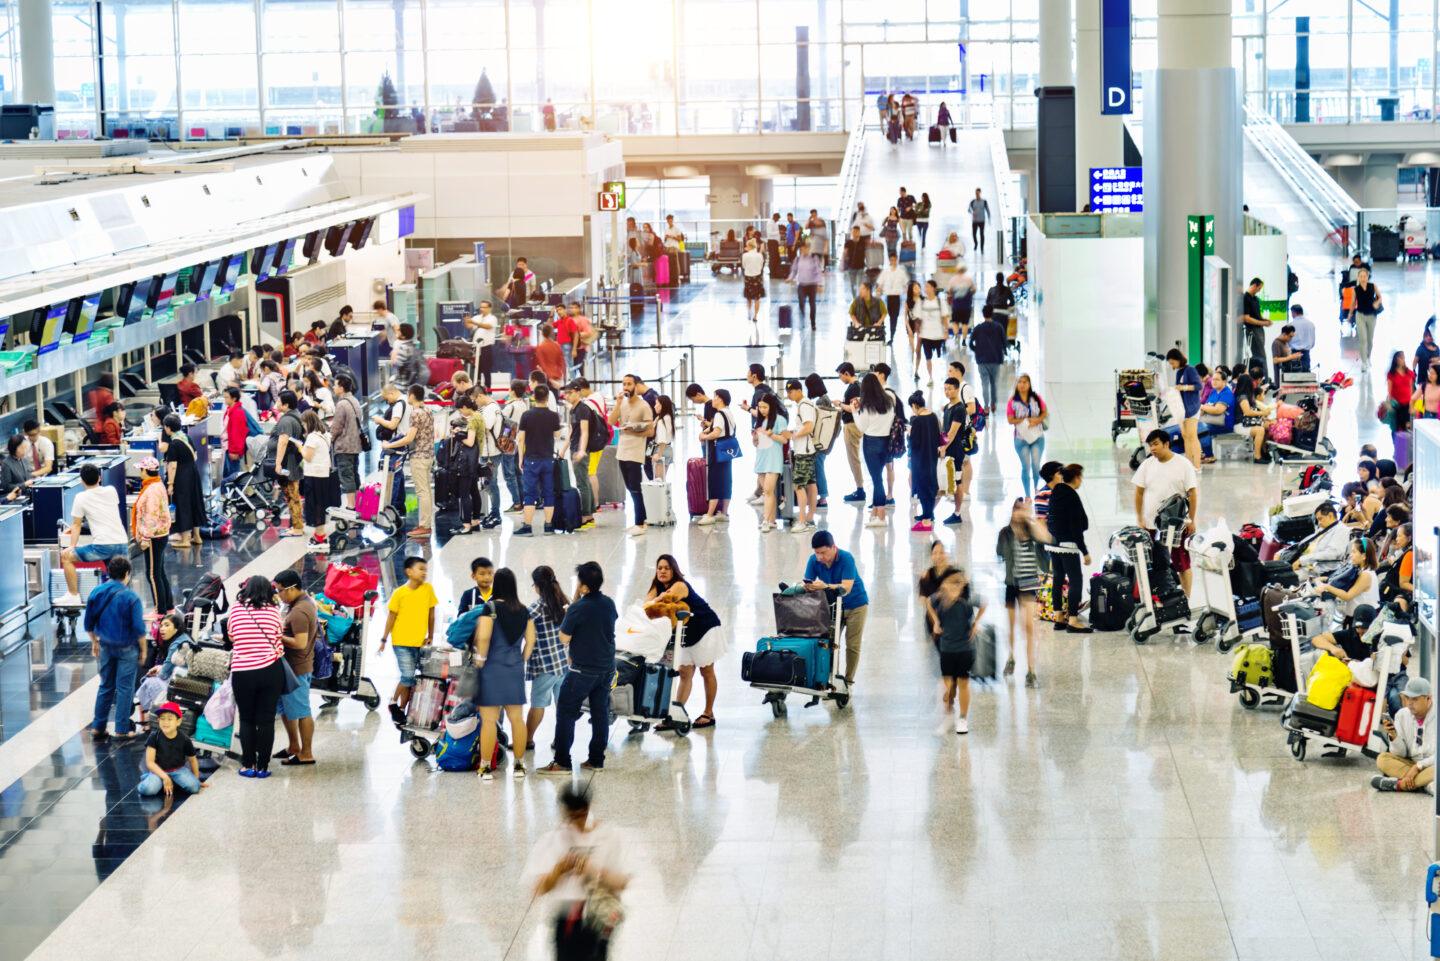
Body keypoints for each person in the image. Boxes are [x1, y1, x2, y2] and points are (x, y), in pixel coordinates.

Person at [526, 782, 632, 961]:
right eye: (571, 816)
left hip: (598, 918)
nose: (576, 822)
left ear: (588, 809)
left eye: (581, 815)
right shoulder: (553, 840)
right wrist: (559, 870)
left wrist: (593, 871)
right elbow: (540, 888)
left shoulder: (607, 836)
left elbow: (621, 883)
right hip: (566, 920)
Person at [538, 562, 619, 774]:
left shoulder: (577, 608)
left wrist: (576, 600)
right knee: (600, 712)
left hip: (583, 670)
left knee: (566, 710)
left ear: (583, 585)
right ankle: (596, 760)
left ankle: (562, 762)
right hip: (606, 667)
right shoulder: (609, 603)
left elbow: (564, 638)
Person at [646, 555, 724, 729]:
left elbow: (668, 599)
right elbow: (646, 605)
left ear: (674, 570)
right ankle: (676, 715)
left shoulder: (680, 585)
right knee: (684, 673)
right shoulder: (657, 587)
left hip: (705, 628)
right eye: (659, 568)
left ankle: (708, 713)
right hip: (685, 634)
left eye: (667, 568)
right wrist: (655, 598)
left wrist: (656, 600)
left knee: (707, 671)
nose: (662, 571)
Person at [472, 568, 536, 781]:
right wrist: (521, 660)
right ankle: (519, 765)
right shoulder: (524, 610)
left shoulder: (490, 608)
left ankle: (485, 768)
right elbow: (531, 641)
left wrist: (480, 659)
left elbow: (483, 638)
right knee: (517, 718)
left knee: (489, 721)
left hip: (491, 669)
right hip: (514, 669)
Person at [227, 575, 286, 778]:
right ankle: (263, 767)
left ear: (246, 590)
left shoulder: (236, 609)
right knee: (267, 720)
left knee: (247, 719)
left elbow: (232, 636)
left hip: (243, 671)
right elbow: (278, 636)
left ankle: (248, 765)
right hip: (270, 670)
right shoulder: (274, 611)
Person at [84, 555, 146, 742]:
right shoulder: (131, 597)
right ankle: (121, 729)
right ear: (127, 573)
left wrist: (94, 642)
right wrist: (144, 650)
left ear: (109, 572)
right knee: (125, 688)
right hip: (127, 648)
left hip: (105, 646)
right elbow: (139, 629)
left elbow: (88, 623)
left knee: (105, 686)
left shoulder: (96, 592)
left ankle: (98, 727)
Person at [1133, 429, 1200, 593]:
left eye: (1155, 444)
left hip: (1176, 525)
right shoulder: (1147, 465)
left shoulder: (1183, 464)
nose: (1152, 449)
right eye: (1150, 445)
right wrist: (1139, 518)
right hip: (1150, 523)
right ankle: (1153, 597)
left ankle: (1187, 598)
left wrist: (1191, 520)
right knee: (1149, 562)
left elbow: (1192, 494)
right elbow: (1139, 492)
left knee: (1182, 564)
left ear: (1166, 444)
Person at [57, 462, 130, 606]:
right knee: (119, 579)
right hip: (121, 541)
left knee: (66, 557)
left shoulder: (80, 497)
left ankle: (73, 595)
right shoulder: (111, 490)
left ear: (82, 480)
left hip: (103, 546)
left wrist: (72, 546)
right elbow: (104, 513)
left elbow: (76, 524)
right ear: (99, 478)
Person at [803, 530, 870, 685]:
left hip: (856, 605)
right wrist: (808, 586)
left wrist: (825, 586)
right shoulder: (813, 560)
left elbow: (846, 588)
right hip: (833, 607)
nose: (820, 557)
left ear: (834, 547)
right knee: (829, 644)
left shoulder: (846, 558)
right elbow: (807, 582)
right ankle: (831, 679)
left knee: (852, 645)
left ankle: (848, 682)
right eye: (817, 553)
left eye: (823, 553)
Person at [378, 556, 437, 726]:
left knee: (410, 680)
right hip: (401, 642)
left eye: (425, 570)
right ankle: (392, 702)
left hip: (419, 643)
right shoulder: (399, 593)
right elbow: (391, 617)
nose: (424, 573)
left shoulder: (428, 589)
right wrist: (384, 639)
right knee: (408, 675)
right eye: (421, 569)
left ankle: (402, 709)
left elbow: (431, 615)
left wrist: (431, 636)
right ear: (409, 572)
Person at [997, 498, 1050, 686]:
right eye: (1017, 509)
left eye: (1023, 509)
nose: (1019, 513)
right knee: (1011, 626)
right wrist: (1015, 530)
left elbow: (1047, 538)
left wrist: (1031, 520)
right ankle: (1011, 657)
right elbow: (1000, 552)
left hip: (1029, 583)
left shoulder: (1032, 530)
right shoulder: (1005, 533)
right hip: (1012, 584)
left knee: (1028, 627)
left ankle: (1031, 670)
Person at [928, 567, 983, 734]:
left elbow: (984, 603)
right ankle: (949, 714)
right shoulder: (939, 599)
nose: (954, 586)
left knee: (963, 683)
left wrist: (976, 623)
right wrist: (936, 622)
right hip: (946, 649)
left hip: (965, 649)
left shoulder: (967, 599)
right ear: (943, 584)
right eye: (950, 582)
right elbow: (928, 603)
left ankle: (963, 718)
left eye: (957, 583)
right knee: (949, 685)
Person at [273, 569, 318, 766]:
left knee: (301, 711)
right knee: (287, 709)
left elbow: (300, 643)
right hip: (291, 667)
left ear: (291, 589)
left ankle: (306, 753)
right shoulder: (301, 603)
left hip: (297, 669)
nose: (279, 595)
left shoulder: (300, 611)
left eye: (280, 591)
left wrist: (276, 636)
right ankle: (294, 747)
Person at [524, 566, 570, 752]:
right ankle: (560, 741)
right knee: (563, 706)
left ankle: (527, 740)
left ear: (536, 586)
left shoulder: (536, 608)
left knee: (538, 705)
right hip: (564, 663)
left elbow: (520, 628)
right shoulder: (564, 601)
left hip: (546, 665)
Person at [1045, 464, 1093, 633]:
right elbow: (1077, 526)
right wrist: (1084, 551)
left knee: (1058, 578)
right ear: (1077, 477)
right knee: (1076, 580)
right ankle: (1073, 620)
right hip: (1067, 543)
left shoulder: (1055, 492)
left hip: (1052, 543)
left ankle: (1058, 618)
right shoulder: (1072, 495)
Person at [846, 373, 896, 528]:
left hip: (871, 443)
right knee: (878, 478)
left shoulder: (867, 406)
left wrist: (854, 411)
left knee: (877, 480)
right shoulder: (889, 400)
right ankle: (875, 512)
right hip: (886, 442)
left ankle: (881, 516)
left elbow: (861, 427)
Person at [1373, 676, 1434, 793]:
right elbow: (1400, 754)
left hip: (1432, 764)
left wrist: (1418, 766)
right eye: (1407, 698)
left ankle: (1400, 785)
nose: (1410, 703)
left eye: (1415, 699)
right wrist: (1393, 736)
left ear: (1428, 698)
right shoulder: (1401, 715)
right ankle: (1425, 784)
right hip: (1410, 764)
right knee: (1382, 759)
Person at [611, 374, 655, 536]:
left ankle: (640, 523)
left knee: (635, 488)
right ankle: (641, 520)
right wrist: (617, 404)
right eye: (624, 384)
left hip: (635, 451)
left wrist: (635, 431)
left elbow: (650, 431)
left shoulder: (644, 406)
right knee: (630, 487)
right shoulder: (622, 403)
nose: (626, 387)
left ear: (636, 386)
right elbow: (611, 421)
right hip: (622, 450)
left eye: (629, 384)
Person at [516, 384, 561, 536]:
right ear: (547, 397)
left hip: (531, 459)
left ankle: (527, 527)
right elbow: (557, 435)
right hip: (548, 459)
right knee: (548, 493)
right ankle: (548, 526)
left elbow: (521, 439)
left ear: (533, 397)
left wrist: (520, 459)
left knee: (530, 494)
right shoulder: (553, 416)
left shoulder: (526, 415)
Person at [136, 701, 206, 798]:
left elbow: (193, 760)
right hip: (158, 771)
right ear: (158, 720)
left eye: (170, 719)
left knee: (195, 787)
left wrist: (196, 779)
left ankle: (171, 780)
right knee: (148, 790)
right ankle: (150, 778)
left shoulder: (185, 739)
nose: (165, 722)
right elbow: (150, 763)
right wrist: (165, 777)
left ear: (178, 722)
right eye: (162, 718)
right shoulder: (154, 737)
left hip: (178, 770)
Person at [130, 456, 173, 613]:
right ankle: (168, 607)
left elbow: (151, 517)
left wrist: (145, 538)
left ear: (146, 471)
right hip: (160, 534)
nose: (140, 473)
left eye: (141, 470)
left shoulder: (152, 490)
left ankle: (159, 611)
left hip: (154, 537)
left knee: (153, 575)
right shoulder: (156, 484)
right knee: (159, 572)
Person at [267, 391, 308, 537]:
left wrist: (278, 464)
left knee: (292, 494)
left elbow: (283, 441)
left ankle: (297, 527)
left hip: (287, 462)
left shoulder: (286, 421)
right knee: (292, 494)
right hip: (293, 460)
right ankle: (296, 526)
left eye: (279, 401)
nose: (276, 403)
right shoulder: (297, 415)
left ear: (286, 405)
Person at [748, 393, 788, 534]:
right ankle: (771, 521)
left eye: (765, 407)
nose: (762, 410)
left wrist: (771, 434)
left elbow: (784, 440)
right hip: (761, 459)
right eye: (760, 407)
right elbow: (757, 444)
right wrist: (755, 438)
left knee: (768, 491)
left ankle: (765, 520)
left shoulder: (780, 420)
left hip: (773, 460)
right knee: (768, 492)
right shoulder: (759, 421)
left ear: (772, 406)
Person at [939, 375, 976, 526]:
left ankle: (957, 513)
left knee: (957, 480)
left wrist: (944, 447)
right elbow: (945, 429)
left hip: (956, 450)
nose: (947, 392)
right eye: (945, 389)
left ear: (956, 389)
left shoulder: (960, 409)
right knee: (949, 479)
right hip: (948, 448)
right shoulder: (948, 407)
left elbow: (952, 432)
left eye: (949, 389)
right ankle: (931, 513)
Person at [297, 409, 338, 545]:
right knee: (320, 504)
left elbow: (308, 457)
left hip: (313, 474)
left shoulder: (312, 437)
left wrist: (299, 447)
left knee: (314, 505)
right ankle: (319, 533)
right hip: (323, 474)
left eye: (303, 424)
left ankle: (319, 535)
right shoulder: (325, 434)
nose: (303, 427)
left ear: (308, 422)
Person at [783, 380, 819, 533]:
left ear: (799, 390)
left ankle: (803, 521)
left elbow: (809, 426)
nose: (789, 395)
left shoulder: (804, 405)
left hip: (804, 451)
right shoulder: (805, 404)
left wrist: (793, 435)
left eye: (791, 392)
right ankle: (809, 517)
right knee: (811, 483)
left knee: (798, 485)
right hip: (807, 449)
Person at [696, 388, 736, 525]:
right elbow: (714, 427)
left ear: (720, 399)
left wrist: (703, 436)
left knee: (714, 480)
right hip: (728, 451)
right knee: (726, 480)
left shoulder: (719, 414)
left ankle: (709, 514)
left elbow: (716, 432)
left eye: (714, 397)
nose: (712, 400)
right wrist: (706, 429)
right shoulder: (728, 412)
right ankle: (724, 512)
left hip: (718, 451)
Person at [907, 391, 941, 533]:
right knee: (930, 486)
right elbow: (938, 436)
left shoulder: (917, 421)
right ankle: (928, 514)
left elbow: (914, 442)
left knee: (923, 488)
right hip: (932, 457)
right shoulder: (933, 416)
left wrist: (909, 433)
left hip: (920, 459)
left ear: (915, 405)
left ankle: (926, 520)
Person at [1165, 348, 1204, 468]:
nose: (1172, 366)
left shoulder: (1190, 370)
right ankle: (1189, 465)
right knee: (1186, 436)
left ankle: (1197, 466)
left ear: (1178, 359)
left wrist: (1184, 387)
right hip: (1183, 409)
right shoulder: (1179, 372)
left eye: (1173, 363)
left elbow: (1199, 386)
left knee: (1192, 436)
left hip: (1192, 407)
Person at [835, 363, 867, 503]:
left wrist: (839, 404)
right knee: (853, 457)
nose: (840, 378)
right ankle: (859, 488)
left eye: (840, 375)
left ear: (847, 373)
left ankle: (860, 489)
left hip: (852, 425)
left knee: (853, 458)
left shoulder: (854, 388)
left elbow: (854, 408)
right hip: (853, 424)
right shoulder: (855, 387)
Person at [1291, 502, 1352, 575]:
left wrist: (1302, 560)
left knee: (1284, 577)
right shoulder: (1323, 529)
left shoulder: (1341, 530)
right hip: (1306, 562)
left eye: (1320, 519)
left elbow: (1333, 553)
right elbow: (1306, 542)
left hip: (1319, 569)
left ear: (1330, 516)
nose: (1319, 523)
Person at [1194, 365, 1237, 463]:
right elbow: (1207, 406)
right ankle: (1200, 452)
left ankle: (1209, 455)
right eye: (1213, 379)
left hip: (1224, 424)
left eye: (1217, 380)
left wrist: (1201, 406)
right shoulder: (1213, 392)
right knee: (1193, 426)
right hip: (1212, 421)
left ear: (1224, 381)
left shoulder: (1226, 393)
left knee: (1202, 429)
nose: (1214, 381)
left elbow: (1218, 410)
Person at [969, 306, 1007, 414]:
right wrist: (1002, 351)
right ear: (992, 314)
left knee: (984, 384)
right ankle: (994, 404)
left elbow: (970, 343)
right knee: (994, 383)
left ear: (983, 314)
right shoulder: (999, 327)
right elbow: (1004, 343)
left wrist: (977, 350)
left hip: (982, 360)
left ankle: (986, 407)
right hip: (995, 359)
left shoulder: (978, 328)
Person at [913, 280, 950, 384]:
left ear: (933, 288)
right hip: (926, 335)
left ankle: (944, 376)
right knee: (928, 357)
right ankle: (930, 377)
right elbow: (917, 319)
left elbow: (945, 317)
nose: (926, 289)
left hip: (939, 335)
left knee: (941, 357)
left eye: (928, 286)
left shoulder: (940, 302)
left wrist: (946, 331)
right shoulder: (921, 302)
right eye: (925, 287)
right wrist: (918, 333)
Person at [1233, 372, 1275, 463]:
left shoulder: (1244, 396)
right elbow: (1247, 412)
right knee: (1260, 430)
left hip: (1245, 423)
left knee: (1267, 426)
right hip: (1240, 425)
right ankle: (1257, 456)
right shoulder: (1242, 397)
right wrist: (1263, 412)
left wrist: (1262, 416)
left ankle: (1264, 451)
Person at [1348, 267, 1381, 371]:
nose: (1363, 278)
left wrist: (1377, 303)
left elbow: (1380, 297)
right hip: (1360, 315)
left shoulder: (1373, 286)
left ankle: (1368, 357)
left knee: (1370, 340)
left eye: (1365, 276)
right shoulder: (1356, 289)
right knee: (1363, 340)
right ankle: (1363, 362)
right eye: (1361, 276)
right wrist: (1350, 314)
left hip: (1372, 315)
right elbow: (1353, 303)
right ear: (1358, 277)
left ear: (1368, 277)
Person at [787, 241, 824, 331]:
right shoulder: (798, 259)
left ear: (809, 248)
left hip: (812, 285)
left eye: (806, 248)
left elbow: (818, 272)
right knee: (801, 303)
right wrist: (790, 278)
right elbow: (794, 270)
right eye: (802, 248)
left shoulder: (814, 258)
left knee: (812, 304)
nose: (804, 250)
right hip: (801, 285)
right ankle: (802, 321)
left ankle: (813, 323)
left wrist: (820, 284)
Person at [876, 252, 908, 341]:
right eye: (891, 260)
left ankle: (892, 337)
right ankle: (882, 335)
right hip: (887, 297)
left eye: (894, 260)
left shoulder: (901, 272)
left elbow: (906, 285)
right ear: (889, 260)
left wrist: (908, 297)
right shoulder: (885, 272)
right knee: (884, 315)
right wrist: (878, 294)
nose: (893, 261)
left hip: (897, 297)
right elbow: (880, 284)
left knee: (894, 317)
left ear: (897, 260)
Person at [1240, 277, 1269, 363]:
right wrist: (1263, 323)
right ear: (1254, 285)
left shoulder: (1255, 299)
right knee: (1260, 355)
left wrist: (1265, 321)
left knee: (1260, 354)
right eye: (1259, 288)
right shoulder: (1245, 298)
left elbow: (1257, 316)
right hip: (1252, 330)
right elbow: (1247, 318)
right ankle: (1260, 371)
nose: (1259, 291)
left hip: (1259, 330)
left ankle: (1259, 371)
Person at [650, 394, 675, 482]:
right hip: (668, 449)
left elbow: (662, 440)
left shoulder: (661, 421)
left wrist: (659, 454)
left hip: (661, 450)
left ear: (662, 405)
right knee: (662, 480)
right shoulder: (668, 417)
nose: (654, 406)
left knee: (659, 481)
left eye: (657, 404)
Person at [740, 238, 766, 323]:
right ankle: (755, 316)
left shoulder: (745, 255)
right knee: (757, 298)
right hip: (757, 278)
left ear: (749, 246)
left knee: (749, 297)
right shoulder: (760, 255)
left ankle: (749, 312)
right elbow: (761, 266)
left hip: (748, 278)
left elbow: (743, 266)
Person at [0, 434, 32, 501]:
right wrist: (24, 485)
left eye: (25, 447)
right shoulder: (6, 463)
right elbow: (6, 486)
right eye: (22, 448)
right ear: (14, 448)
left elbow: (29, 476)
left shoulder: (24, 460)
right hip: (15, 498)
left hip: (29, 495)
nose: (25, 450)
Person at [1287, 303, 1315, 371]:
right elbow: (1312, 342)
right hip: (1306, 355)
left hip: (1294, 354)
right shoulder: (1311, 324)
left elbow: (1287, 342)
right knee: (1306, 375)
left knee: (1294, 375)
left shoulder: (1290, 325)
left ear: (1293, 312)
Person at [968, 188, 991, 257]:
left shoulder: (984, 202)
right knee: (974, 234)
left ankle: (982, 248)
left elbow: (987, 210)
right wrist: (972, 212)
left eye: (978, 193)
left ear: (980, 193)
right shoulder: (973, 202)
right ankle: (976, 243)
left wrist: (989, 218)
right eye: (976, 193)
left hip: (981, 221)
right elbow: (969, 209)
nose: (977, 194)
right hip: (975, 221)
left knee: (982, 234)